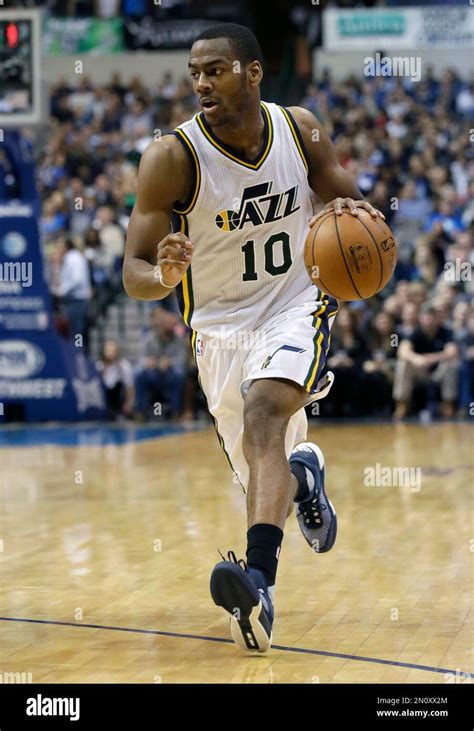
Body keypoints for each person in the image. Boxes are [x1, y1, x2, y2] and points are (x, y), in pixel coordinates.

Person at [123, 23, 384, 653]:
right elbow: (133, 273)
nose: (203, 83)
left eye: (216, 69)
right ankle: (304, 476)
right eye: (195, 73)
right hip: (217, 330)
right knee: (263, 473)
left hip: (295, 304)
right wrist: (164, 272)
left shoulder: (300, 128)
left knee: (267, 412)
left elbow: (351, 202)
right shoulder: (172, 159)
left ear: (254, 72)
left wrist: (361, 225)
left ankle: (259, 583)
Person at [393, 305, 458, 420]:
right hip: (421, 372)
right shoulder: (416, 332)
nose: (429, 320)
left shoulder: (446, 332)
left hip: (439, 372)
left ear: (437, 319)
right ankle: (402, 403)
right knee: (402, 363)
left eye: (432, 317)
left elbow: (452, 352)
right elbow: (402, 350)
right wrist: (416, 358)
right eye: (426, 317)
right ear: (420, 318)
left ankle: (448, 403)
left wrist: (432, 358)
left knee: (451, 364)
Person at [134, 308, 188, 420]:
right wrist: (148, 362)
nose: (169, 326)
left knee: (179, 374)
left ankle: (175, 411)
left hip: (169, 373)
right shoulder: (149, 337)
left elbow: (182, 358)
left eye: (171, 324)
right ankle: (141, 412)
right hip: (153, 372)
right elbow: (140, 358)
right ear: (161, 325)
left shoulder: (178, 339)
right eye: (166, 324)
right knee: (138, 373)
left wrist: (169, 362)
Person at [96, 340, 134, 420]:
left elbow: (129, 387)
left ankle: (118, 413)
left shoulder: (124, 366)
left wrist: (128, 403)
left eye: (113, 351)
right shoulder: (99, 366)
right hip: (104, 402)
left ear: (117, 352)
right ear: (103, 352)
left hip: (118, 401)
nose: (111, 353)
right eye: (108, 351)